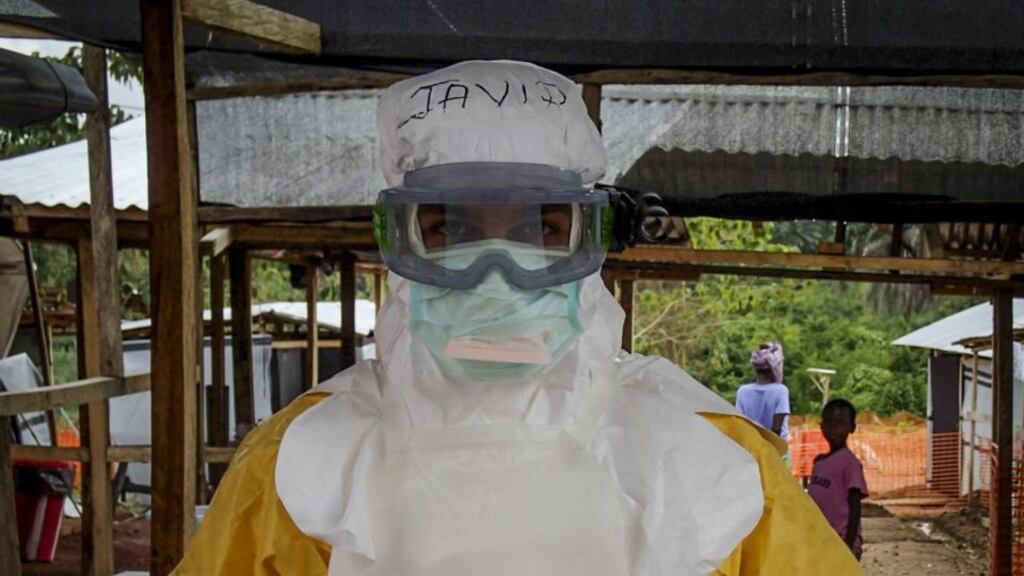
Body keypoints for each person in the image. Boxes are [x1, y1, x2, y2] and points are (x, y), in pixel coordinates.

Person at [172, 61, 862, 575]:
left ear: (590, 240)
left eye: (540, 227)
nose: (496, 274)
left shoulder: (711, 466)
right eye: (451, 229)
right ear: (398, 240)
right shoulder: (295, 468)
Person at [808, 399, 869, 560]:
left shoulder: (850, 463)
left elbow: (855, 504)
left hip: (841, 541)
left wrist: (849, 544)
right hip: (821, 541)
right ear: (822, 426)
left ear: (852, 428)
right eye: (830, 422)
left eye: (840, 423)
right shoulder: (818, 462)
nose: (834, 428)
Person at [735, 341, 790, 441]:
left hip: (750, 449)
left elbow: (740, 424)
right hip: (774, 452)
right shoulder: (781, 391)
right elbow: (777, 428)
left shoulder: (742, 391)